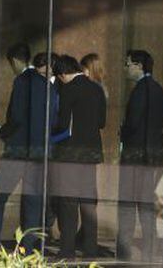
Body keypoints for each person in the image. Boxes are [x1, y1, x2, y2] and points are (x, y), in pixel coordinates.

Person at [0, 51, 58, 254]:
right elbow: (53, 121)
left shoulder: (22, 81)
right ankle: (27, 248)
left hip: (17, 151)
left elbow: (16, 116)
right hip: (39, 153)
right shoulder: (51, 88)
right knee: (33, 202)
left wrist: (2, 132)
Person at [50, 54, 106, 258]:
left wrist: (52, 133)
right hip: (91, 154)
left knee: (68, 203)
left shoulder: (68, 89)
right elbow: (102, 121)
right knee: (88, 202)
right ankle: (90, 248)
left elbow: (63, 124)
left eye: (59, 78)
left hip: (70, 154)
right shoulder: (96, 88)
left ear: (63, 74)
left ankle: (67, 250)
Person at [116, 50, 163, 261]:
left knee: (127, 205)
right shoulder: (157, 89)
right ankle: (149, 252)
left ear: (138, 65)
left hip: (135, 155)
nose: (125, 68)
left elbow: (133, 123)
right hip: (151, 156)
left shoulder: (140, 91)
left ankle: (124, 252)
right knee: (146, 206)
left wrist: (123, 131)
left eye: (128, 64)